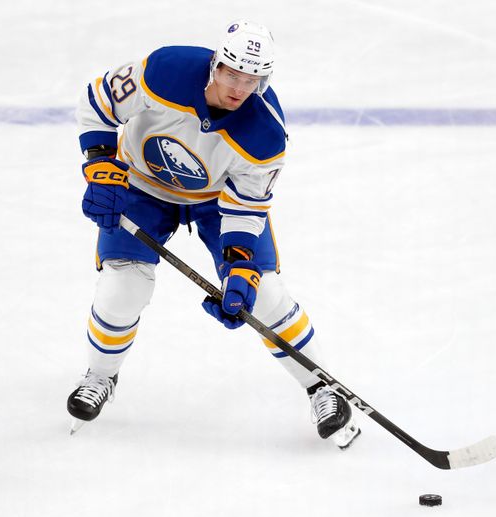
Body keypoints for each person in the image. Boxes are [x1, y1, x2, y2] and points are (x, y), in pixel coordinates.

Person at [66, 20, 360, 448]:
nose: (241, 87)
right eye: (233, 74)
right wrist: (99, 164)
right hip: (142, 186)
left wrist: (241, 266)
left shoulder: (265, 133)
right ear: (216, 65)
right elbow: (97, 102)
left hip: (215, 201)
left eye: (252, 78)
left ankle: (321, 387)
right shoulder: (165, 70)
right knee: (121, 285)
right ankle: (100, 375)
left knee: (264, 293)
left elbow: (245, 207)